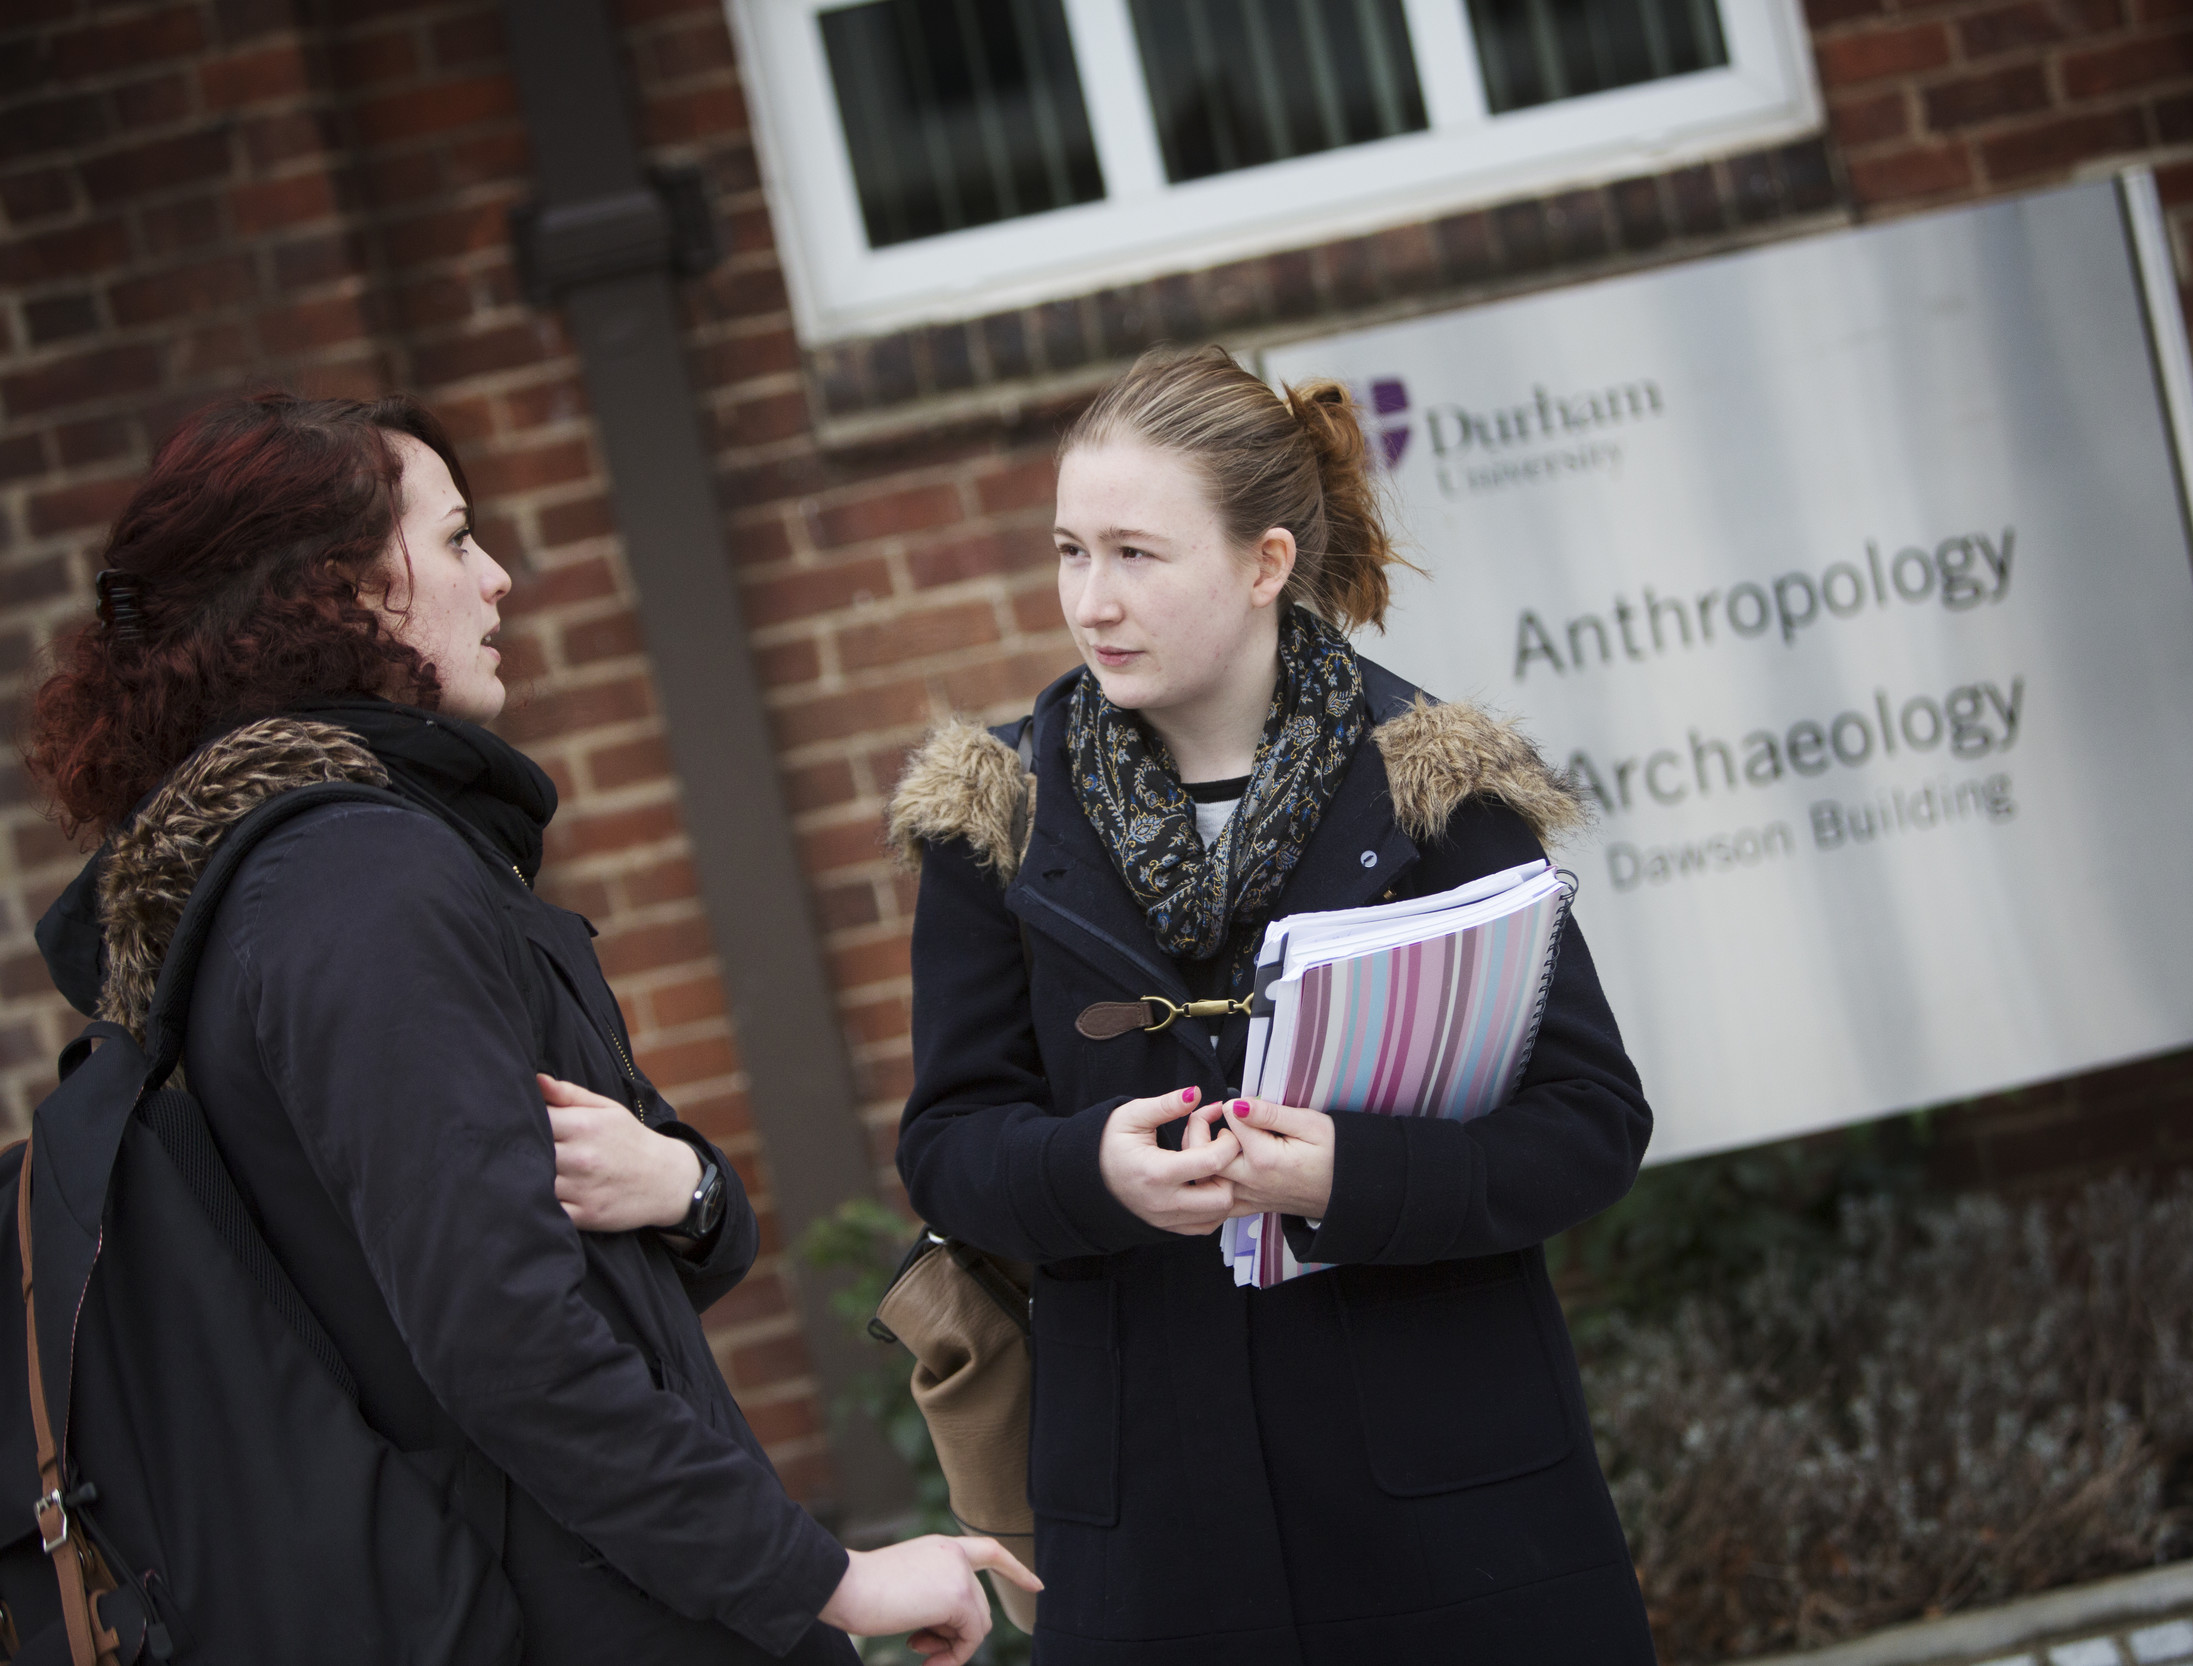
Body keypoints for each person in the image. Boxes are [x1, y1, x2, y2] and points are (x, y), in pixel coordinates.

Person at [23, 392, 1036, 1665]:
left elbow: (576, 1256)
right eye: (454, 541)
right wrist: (826, 1578)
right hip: (571, 1615)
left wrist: (689, 1188)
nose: (498, 578)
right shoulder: (355, 885)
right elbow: (507, 1342)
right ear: (335, 591)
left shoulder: (313, 879)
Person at [886, 344, 1656, 1664]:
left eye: (1135, 553)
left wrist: (1358, 1171)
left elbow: (1588, 1119)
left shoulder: (1436, 787)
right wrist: (1091, 1168)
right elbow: (947, 1147)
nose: (1091, 599)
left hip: (1455, 1514)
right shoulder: (995, 815)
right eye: (1070, 551)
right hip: (1154, 1536)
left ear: (1264, 561)